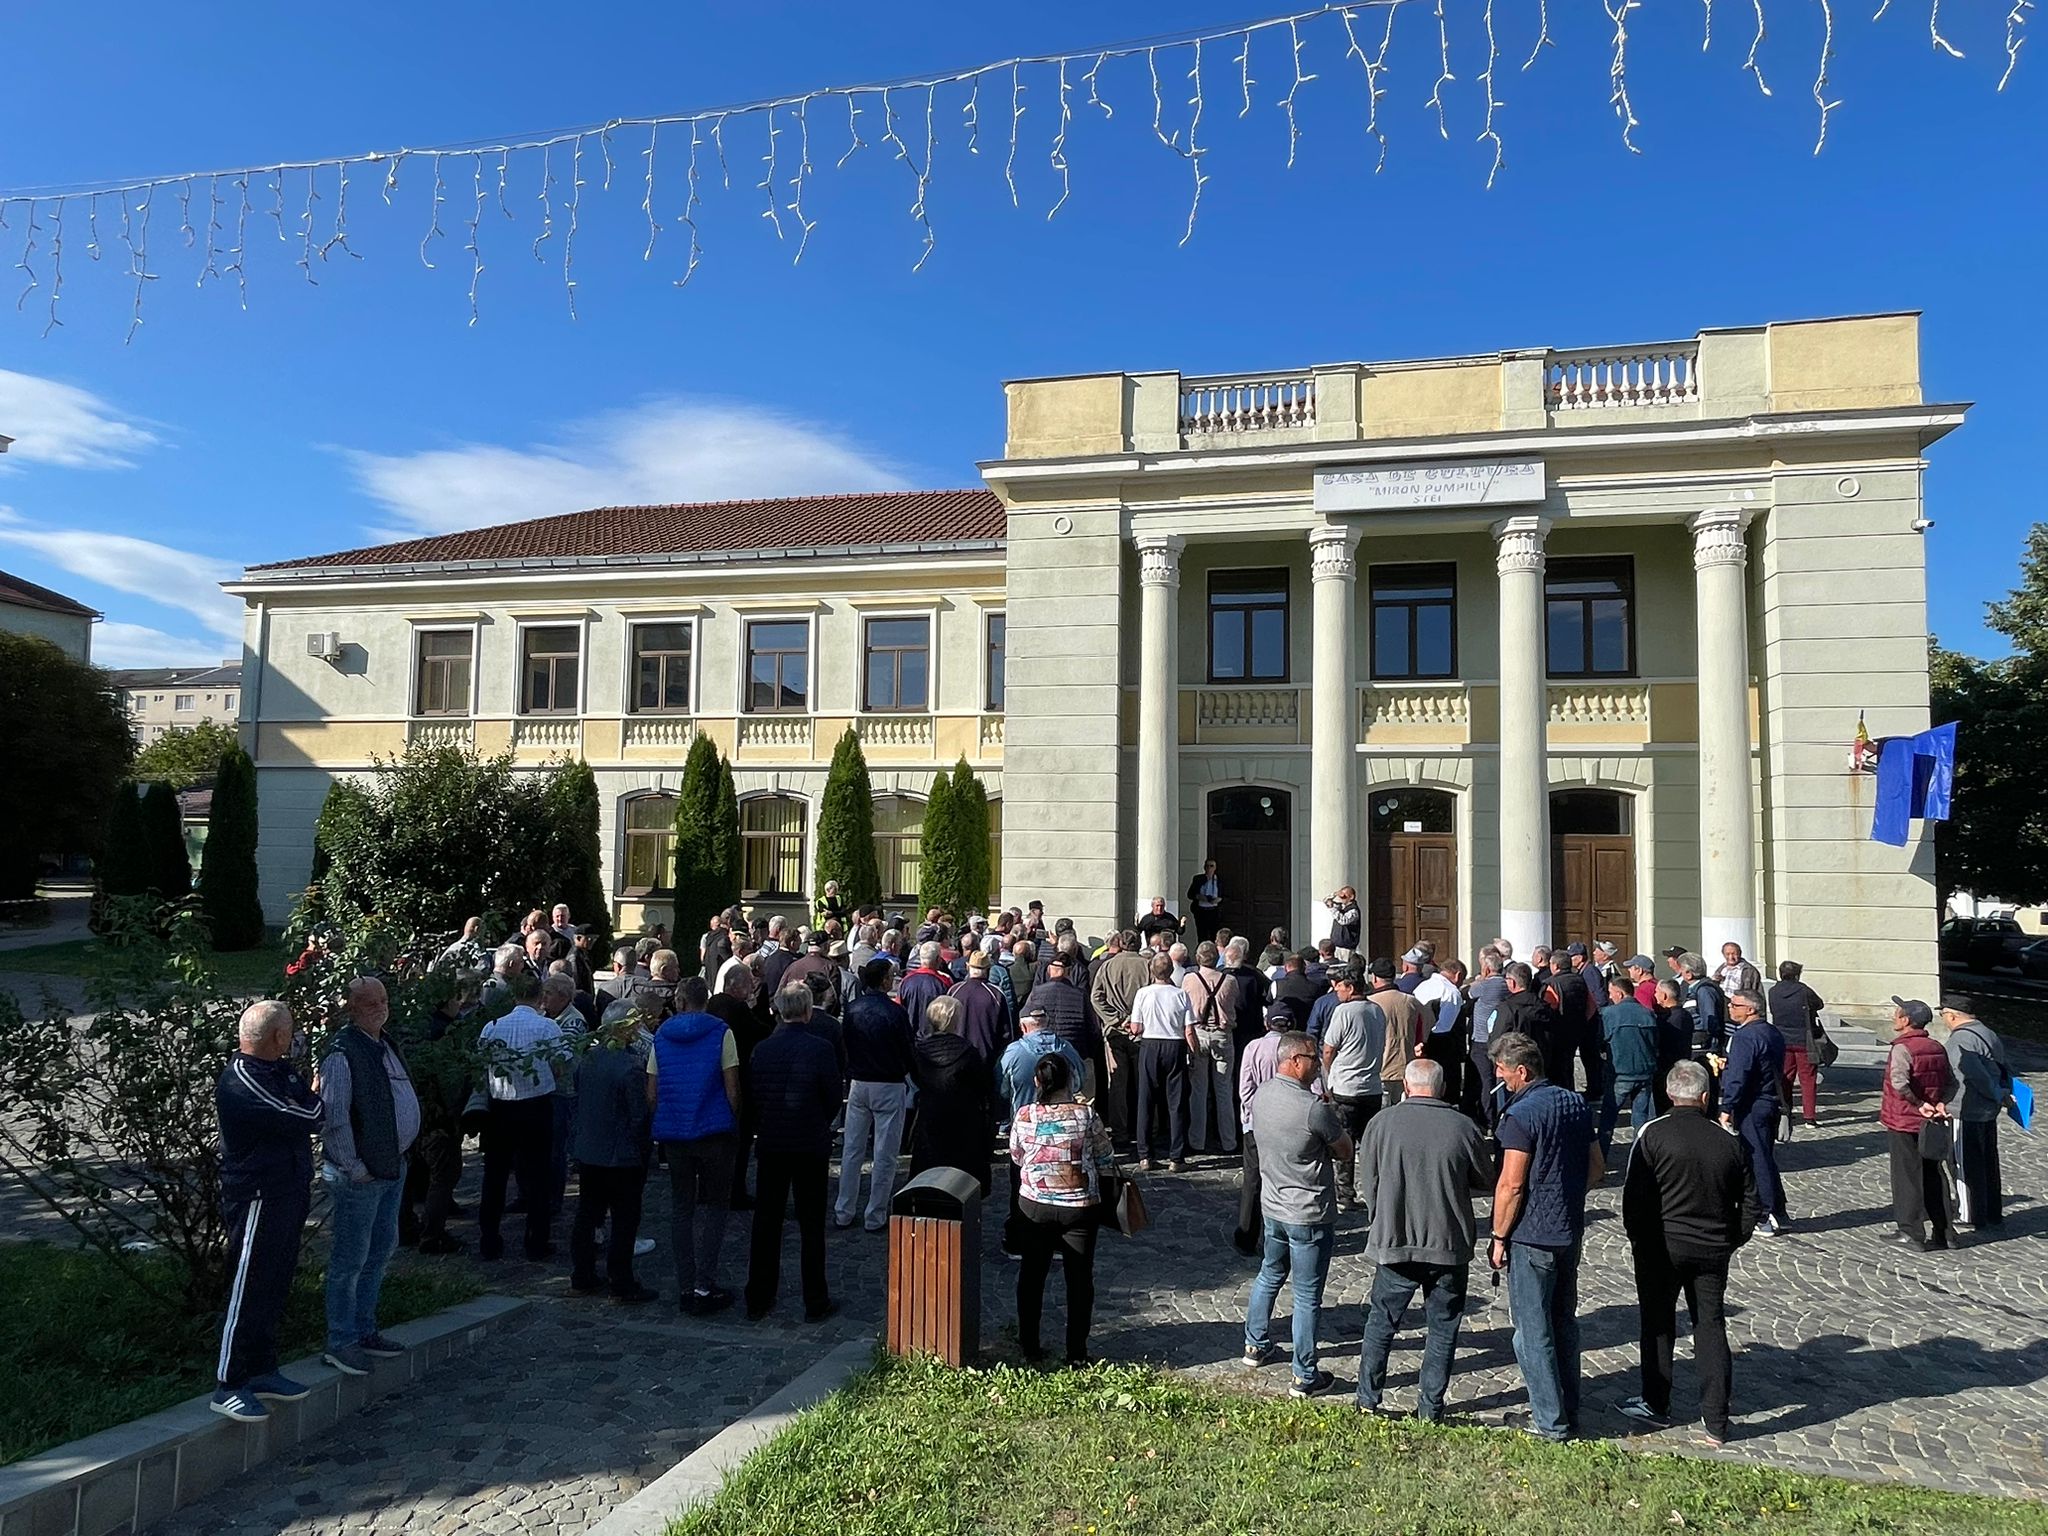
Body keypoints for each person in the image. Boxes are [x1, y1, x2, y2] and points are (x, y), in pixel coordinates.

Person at [1618, 1060, 1756, 1447]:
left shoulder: (1652, 1134)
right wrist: (1733, 1239)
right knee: (1710, 1327)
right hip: (1712, 1247)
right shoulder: (1728, 1140)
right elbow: (1750, 1201)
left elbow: (1635, 1197)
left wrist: (1639, 1241)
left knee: (1658, 1324)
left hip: (1662, 1246)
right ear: (1705, 1097)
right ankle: (1717, 1420)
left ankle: (1655, 1402)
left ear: (1668, 1094)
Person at [1354, 1059, 1493, 1422]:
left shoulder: (1381, 1123)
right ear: (1442, 1087)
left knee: (1381, 1323)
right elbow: (1485, 1178)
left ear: (1405, 1084)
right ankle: (1430, 1409)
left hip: (1395, 1239)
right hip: (1447, 1244)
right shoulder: (1464, 1127)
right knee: (1443, 1327)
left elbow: (1368, 1180)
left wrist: (1379, 1220)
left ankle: (1368, 1400)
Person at [211, 1000, 324, 1422]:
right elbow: (308, 1113)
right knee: (249, 1282)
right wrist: (310, 1098)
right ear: (277, 1036)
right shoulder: (243, 1080)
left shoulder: (279, 1071)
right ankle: (229, 1381)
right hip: (257, 1193)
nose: (294, 1037)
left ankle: (262, 1368)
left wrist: (308, 1098)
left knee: (275, 1280)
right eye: (290, 1030)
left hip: (288, 1188)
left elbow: (308, 1107)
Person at [1487, 1031, 1602, 1442]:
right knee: (1563, 1323)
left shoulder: (1521, 1116)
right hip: (1568, 1229)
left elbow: (1511, 1185)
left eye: (1501, 1070)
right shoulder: (1574, 1103)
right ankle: (1569, 1405)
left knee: (1531, 1331)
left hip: (1532, 1236)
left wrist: (1499, 1236)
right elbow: (1596, 1168)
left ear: (1521, 1071)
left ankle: (1549, 1421)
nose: (1497, 1076)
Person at [316, 976, 421, 1376]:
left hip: (392, 1166)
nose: (379, 1007)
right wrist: (354, 1167)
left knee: (380, 1251)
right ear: (351, 1009)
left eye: (383, 1000)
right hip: (360, 1174)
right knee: (350, 1259)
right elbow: (335, 1119)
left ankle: (365, 1328)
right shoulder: (343, 1054)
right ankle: (341, 1340)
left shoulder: (384, 1043)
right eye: (368, 1003)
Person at [1243, 1031, 1351, 1397]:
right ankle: (1305, 1374)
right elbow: (1344, 1150)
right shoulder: (1312, 1108)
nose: (1318, 1064)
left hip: (1272, 1205)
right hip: (1308, 1212)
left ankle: (1255, 1343)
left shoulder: (1262, 1095)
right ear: (1294, 1060)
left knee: (1270, 1272)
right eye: (1313, 1059)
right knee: (1307, 1295)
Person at [746, 984, 845, 1323]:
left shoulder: (763, 1049)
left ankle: (758, 1296)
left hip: (773, 1141)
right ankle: (815, 1299)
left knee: (766, 1222)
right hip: (809, 1143)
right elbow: (833, 1096)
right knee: (811, 1224)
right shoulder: (820, 1049)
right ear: (806, 1011)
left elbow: (754, 1095)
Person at [1009, 1052, 1115, 1365]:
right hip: (1079, 1206)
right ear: (1069, 1080)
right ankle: (1077, 1352)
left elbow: (1016, 1155)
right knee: (1080, 1279)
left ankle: (1029, 1346)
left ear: (1037, 1081)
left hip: (1034, 1206)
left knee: (1031, 1276)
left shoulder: (1025, 1115)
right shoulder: (1085, 1116)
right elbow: (1106, 1155)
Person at [646, 975, 741, 1314]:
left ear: (680, 1001)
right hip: (714, 1129)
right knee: (716, 1207)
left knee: (681, 1208)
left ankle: (686, 1284)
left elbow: (652, 1092)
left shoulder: (661, 1035)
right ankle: (705, 1282)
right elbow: (731, 1086)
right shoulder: (721, 1032)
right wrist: (734, 1121)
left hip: (675, 1132)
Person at [570, 1000, 658, 1304]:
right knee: (624, 1219)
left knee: (588, 1214)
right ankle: (621, 1282)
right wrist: (644, 1149)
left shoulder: (587, 1060)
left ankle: (582, 1276)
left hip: (590, 1149)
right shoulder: (630, 1068)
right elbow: (638, 1116)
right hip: (621, 1156)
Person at [838, 957, 915, 1232]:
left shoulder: (853, 1008)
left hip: (859, 1082)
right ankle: (875, 1214)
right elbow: (908, 1050)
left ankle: (843, 1210)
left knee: (852, 1150)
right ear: (884, 980)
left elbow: (845, 1045)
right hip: (888, 1084)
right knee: (885, 1153)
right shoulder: (895, 1013)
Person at [1881, 998, 1956, 1252]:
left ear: (1906, 1020)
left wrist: (1919, 1103)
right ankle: (1945, 1232)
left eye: (1897, 1014)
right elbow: (1951, 1083)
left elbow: (1899, 1083)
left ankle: (1910, 1232)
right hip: (1931, 1120)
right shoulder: (1936, 1047)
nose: (1893, 1017)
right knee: (1935, 1174)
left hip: (1905, 1120)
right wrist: (1941, 1103)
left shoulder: (1902, 1048)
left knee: (1906, 1177)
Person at [1719, 989, 1788, 1234]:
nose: (1730, 1007)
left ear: (1751, 1009)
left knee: (1756, 1158)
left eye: (1735, 1004)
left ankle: (1764, 1215)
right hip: (1769, 1101)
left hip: (1753, 1104)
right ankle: (1779, 1209)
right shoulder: (1772, 1032)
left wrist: (1727, 1106)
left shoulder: (1745, 1037)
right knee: (1766, 1156)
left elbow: (1740, 1076)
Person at [1941, 993, 2011, 1232]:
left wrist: (1993, 1093)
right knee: (1987, 1162)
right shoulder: (1988, 1033)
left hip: (1966, 1109)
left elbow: (1973, 1074)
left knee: (1964, 1163)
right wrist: (2003, 1093)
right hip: (1988, 1111)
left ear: (1952, 1015)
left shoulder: (1959, 1040)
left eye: (1944, 1016)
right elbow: (2003, 1067)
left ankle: (1968, 1213)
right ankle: (1992, 1211)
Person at [1233, 1003, 1298, 1257]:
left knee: (1253, 1180)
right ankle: (1286, 1237)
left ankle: (1247, 1236)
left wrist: (1252, 1115)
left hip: (1256, 1125)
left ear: (1266, 1024)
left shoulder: (1254, 1047)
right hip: (1290, 1124)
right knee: (1288, 1179)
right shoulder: (1299, 1049)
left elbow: (1245, 1088)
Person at [910, 995, 992, 1194]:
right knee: (961, 1171)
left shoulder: (919, 1050)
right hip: (962, 1116)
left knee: (929, 1163)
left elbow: (915, 1077)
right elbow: (982, 1085)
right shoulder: (968, 1052)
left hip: (930, 1111)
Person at [1318, 968, 1384, 1208]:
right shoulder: (1377, 1010)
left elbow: (1328, 1048)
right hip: (1372, 1087)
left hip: (1346, 1086)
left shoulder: (1343, 1012)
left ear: (1351, 988)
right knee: (1369, 1145)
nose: (1336, 990)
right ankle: (1374, 1191)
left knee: (1343, 1143)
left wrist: (1329, 1072)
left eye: (1340, 987)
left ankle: (1345, 1194)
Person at [1131, 953, 1198, 1171]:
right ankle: (1176, 1157)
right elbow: (1189, 1029)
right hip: (1175, 1044)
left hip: (1150, 1044)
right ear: (1171, 971)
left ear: (1152, 971)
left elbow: (1136, 1028)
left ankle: (1144, 1155)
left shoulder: (1143, 993)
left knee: (1146, 1099)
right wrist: (1194, 1052)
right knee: (1176, 1102)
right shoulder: (1180, 994)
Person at [1089, 931, 1151, 1149]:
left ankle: (1120, 1131)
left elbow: (1096, 997)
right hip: (1142, 1031)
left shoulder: (1108, 966)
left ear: (1121, 944)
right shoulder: (1147, 965)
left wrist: (1114, 1019)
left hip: (1116, 1032)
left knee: (1117, 1084)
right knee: (1143, 1083)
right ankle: (1143, 1128)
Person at [1181, 941, 1240, 1156]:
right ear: (1217, 959)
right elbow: (1234, 1002)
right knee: (1224, 1090)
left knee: (1198, 1090)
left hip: (1198, 1034)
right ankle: (1229, 1141)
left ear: (1198, 958)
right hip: (1222, 1034)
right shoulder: (1230, 981)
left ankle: (1197, 1140)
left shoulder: (1189, 979)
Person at [1599, 974, 1660, 1155]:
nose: (1610, 997)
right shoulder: (1648, 1013)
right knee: (1640, 1121)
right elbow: (1655, 1042)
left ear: (1619, 993)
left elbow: (1600, 1042)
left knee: (1608, 1120)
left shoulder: (1609, 1014)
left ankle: (1599, 1160)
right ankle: (1639, 1160)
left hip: (1620, 1073)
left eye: (1611, 993)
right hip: (1644, 1072)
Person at [1768, 961, 1827, 1130]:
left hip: (1781, 1039)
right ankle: (1809, 1117)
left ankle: (1786, 1111)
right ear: (1796, 975)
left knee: (1786, 1077)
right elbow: (1819, 1004)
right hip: (1804, 1038)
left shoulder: (1773, 991)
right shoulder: (1803, 990)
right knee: (1808, 1079)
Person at [1368, 959, 1426, 1106]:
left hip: (1380, 1070)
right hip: (1406, 1068)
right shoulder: (1411, 1001)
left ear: (1374, 978)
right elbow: (1425, 1027)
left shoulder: (1370, 1003)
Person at [1467, 950, 1509, 1130]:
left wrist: (1480, 978)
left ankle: (1487, 1119)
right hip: (1500, 1038)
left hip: (1482, 1039)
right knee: (1499, 1078)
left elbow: (1469, 993)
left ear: (1486, 968)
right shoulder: (1507, 985)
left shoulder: (1484, 985)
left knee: (1484, 1080)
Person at [1186, 858, 1223, 942]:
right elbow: (1190, 894)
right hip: (1201, 911)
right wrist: (1199, 897)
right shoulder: (1198, 879)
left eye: (1211, 866)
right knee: (1202, 935)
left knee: (1214, 935)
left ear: (1215, 868)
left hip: (1214, 911)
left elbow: (1226, 895)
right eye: (1207, 866)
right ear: (1204, 867)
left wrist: (1218, 899)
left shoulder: (1220, 880)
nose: (1209, 868)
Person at [1325, 886, 1361, 956]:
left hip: (1346, 948)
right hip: (1336, 946)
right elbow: (1326, 901)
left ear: (1351, 897)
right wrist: (1335, 894)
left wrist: (1332, 908)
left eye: (1344, 896)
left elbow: (1343, 920)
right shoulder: (1341, 906)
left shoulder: (1354, 911)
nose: (1342, 898)